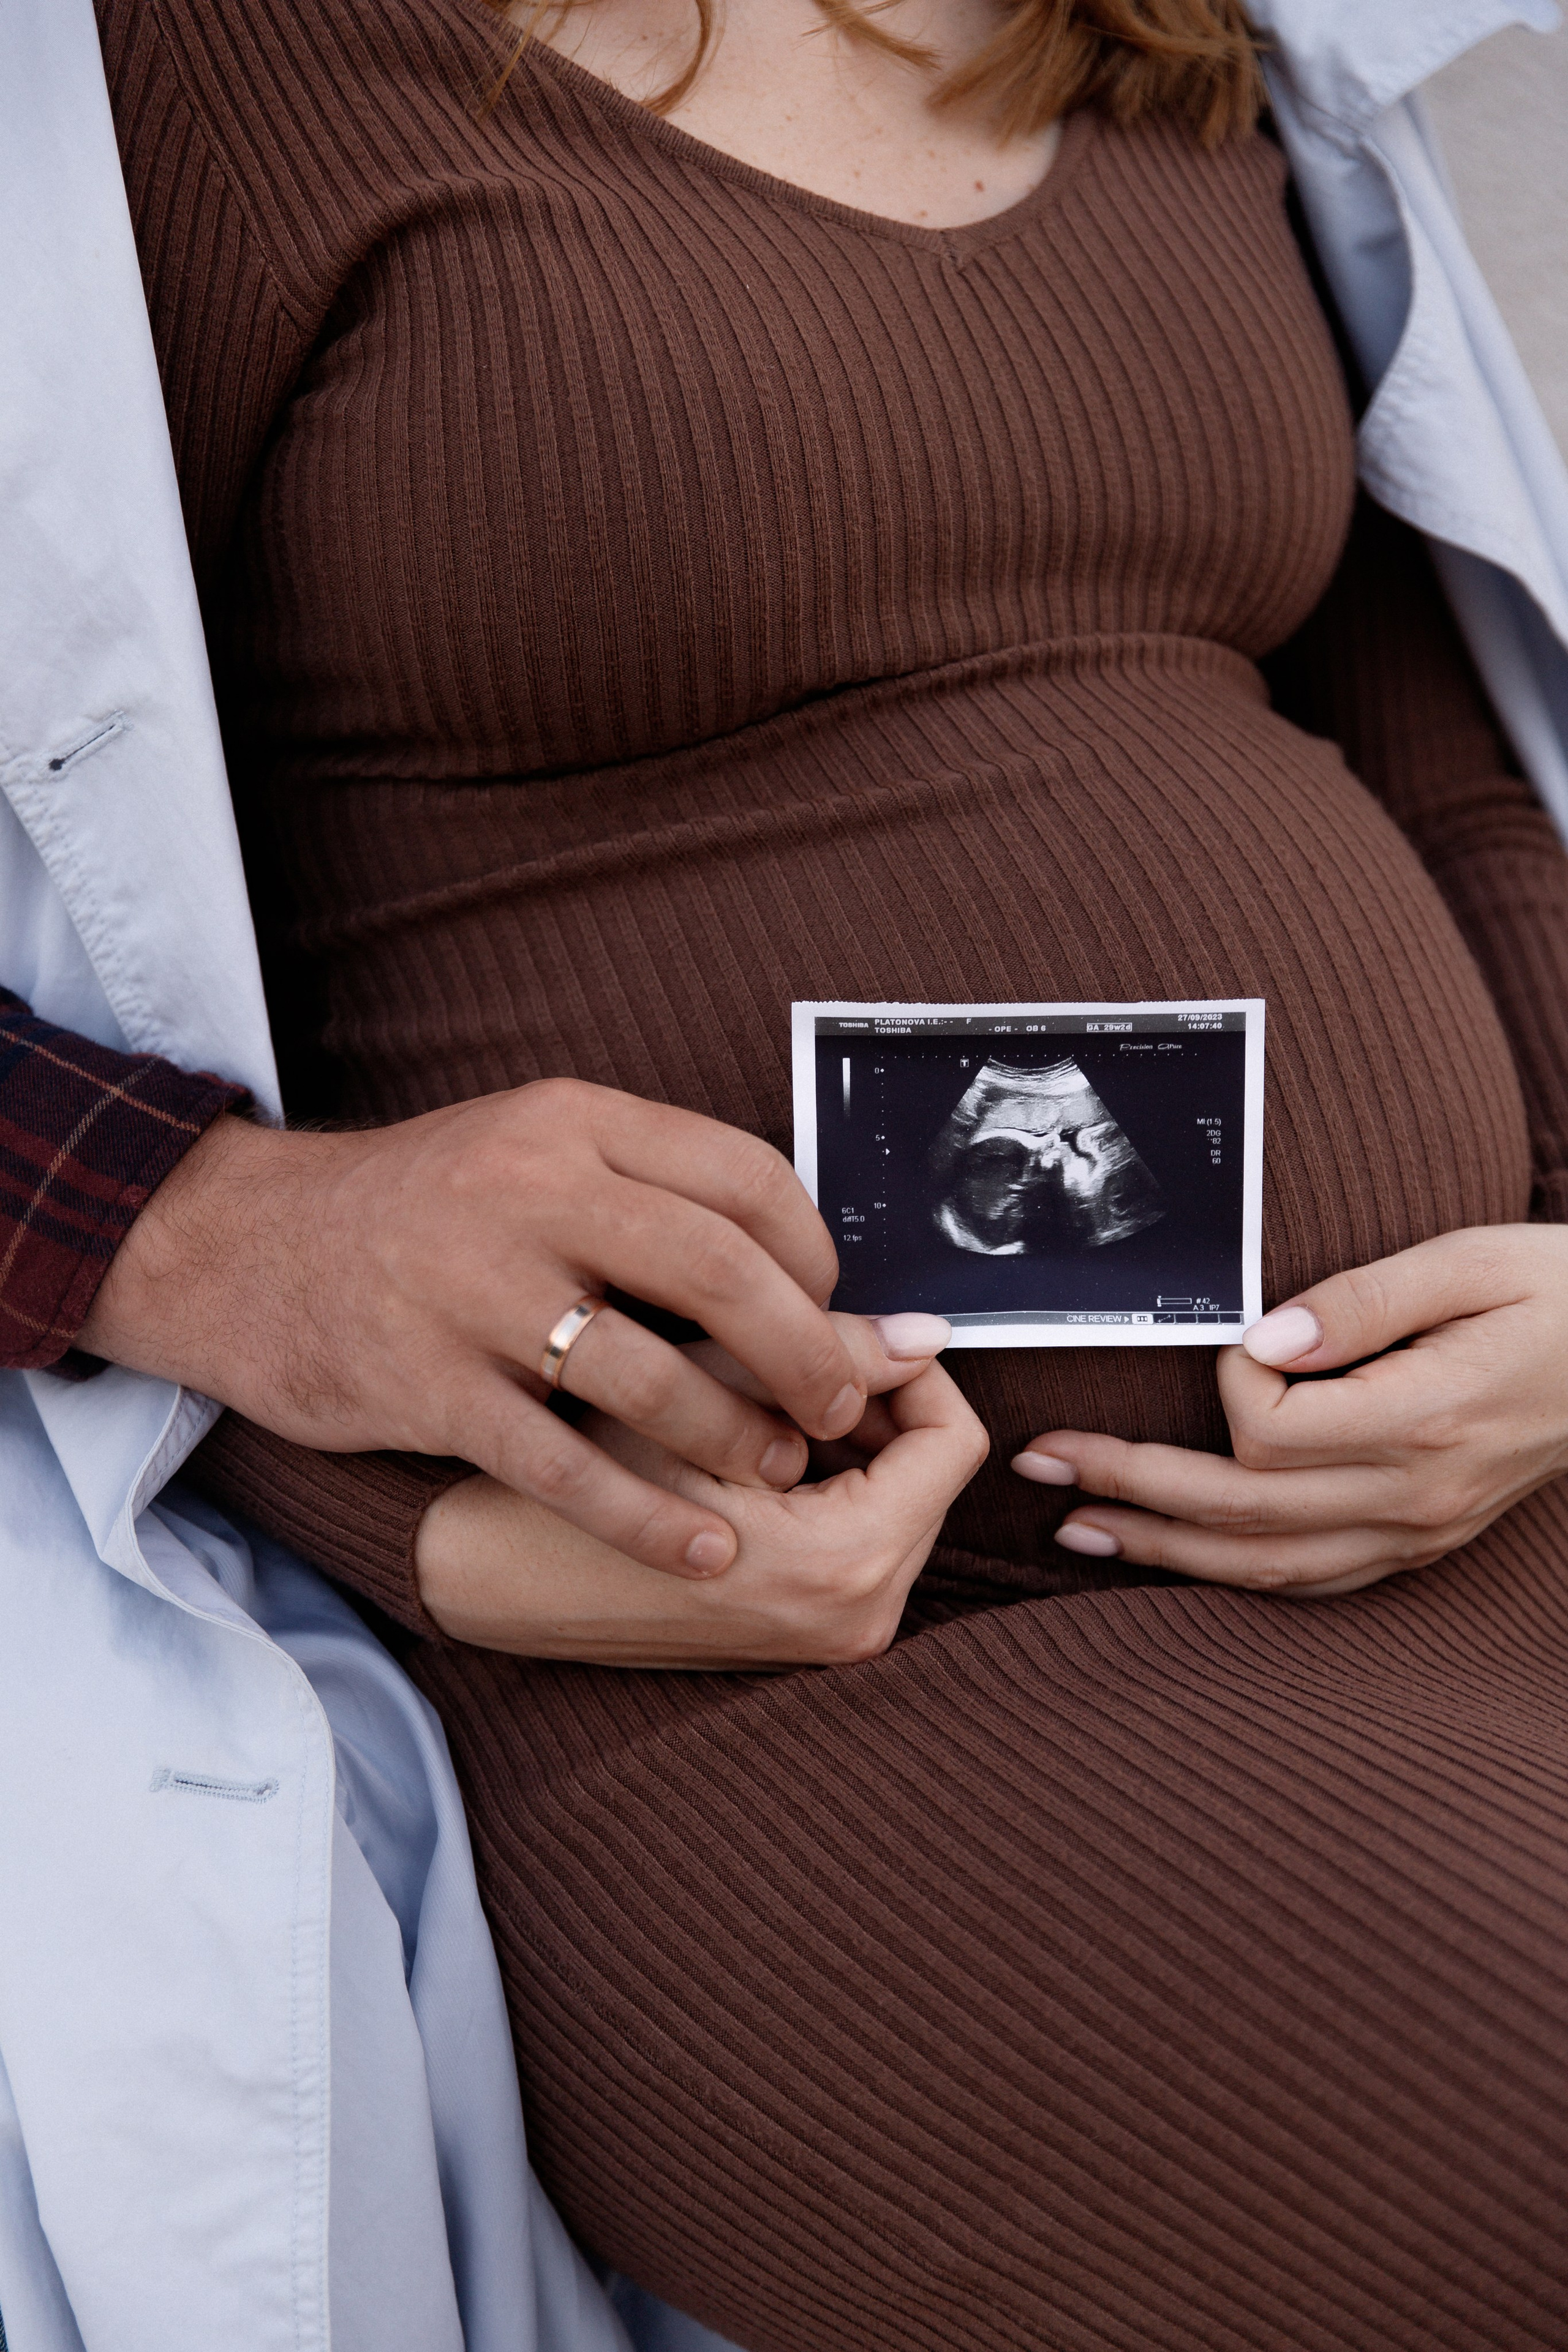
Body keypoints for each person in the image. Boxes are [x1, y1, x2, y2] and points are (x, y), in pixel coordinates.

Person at [7, 0, 1568, 2342]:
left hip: (1482, 1514)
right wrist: (231, 1264)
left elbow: (1439, 757)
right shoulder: (192, 67)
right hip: (807, 1668)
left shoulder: (1163, 32)